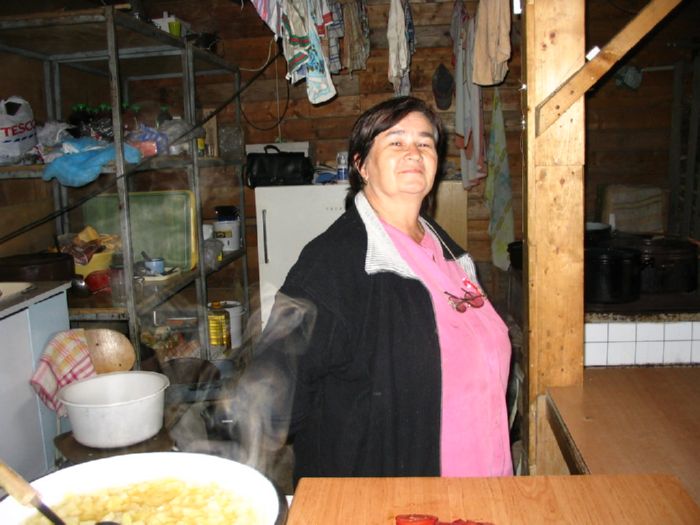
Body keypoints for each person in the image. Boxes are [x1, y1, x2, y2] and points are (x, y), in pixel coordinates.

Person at [247, 96, 512, 485]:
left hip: (482, 478)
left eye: (424, 143)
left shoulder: (450, 252)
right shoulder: (332, 263)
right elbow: (273, 397)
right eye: (396, 141)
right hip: (394, 496)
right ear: (361, 165)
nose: (414, 152)